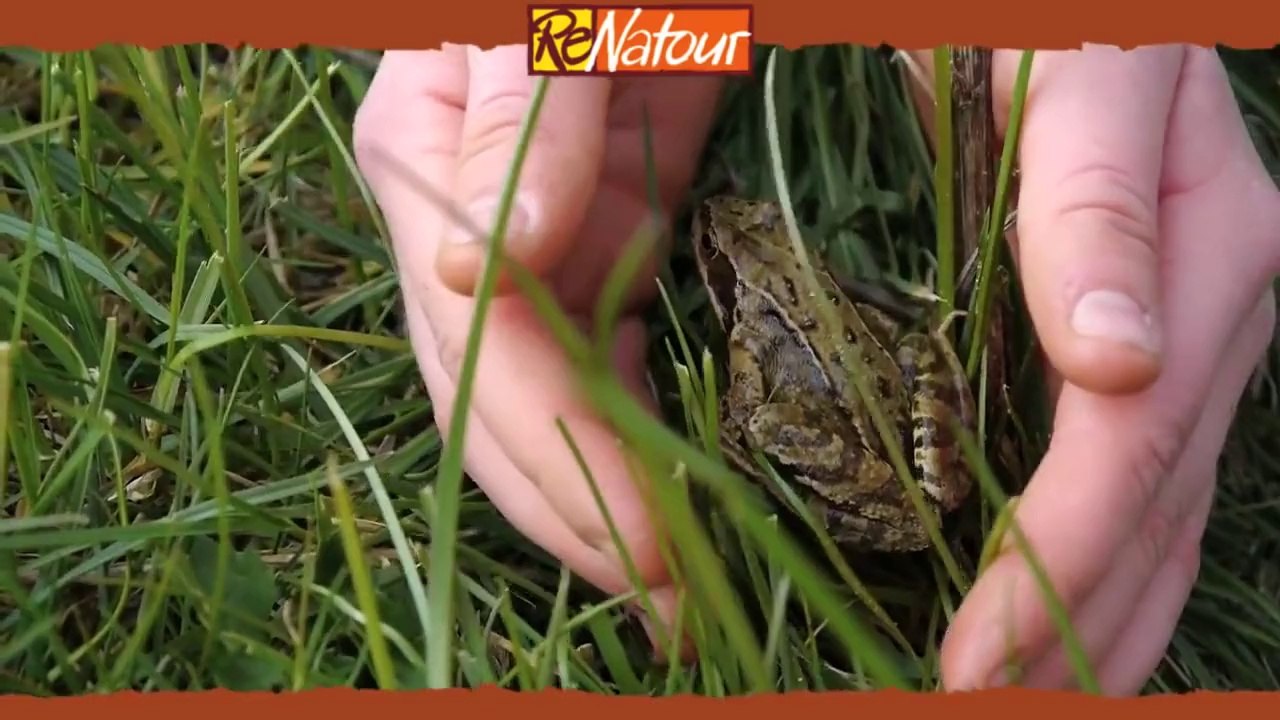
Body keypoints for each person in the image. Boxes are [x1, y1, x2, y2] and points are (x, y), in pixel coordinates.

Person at [351, 43, 1280, 694]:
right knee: (908, 350)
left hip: (867, 469)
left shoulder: (747, 338)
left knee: (754, 428)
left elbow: (756, 412)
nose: (715, 258)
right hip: (901, 430)